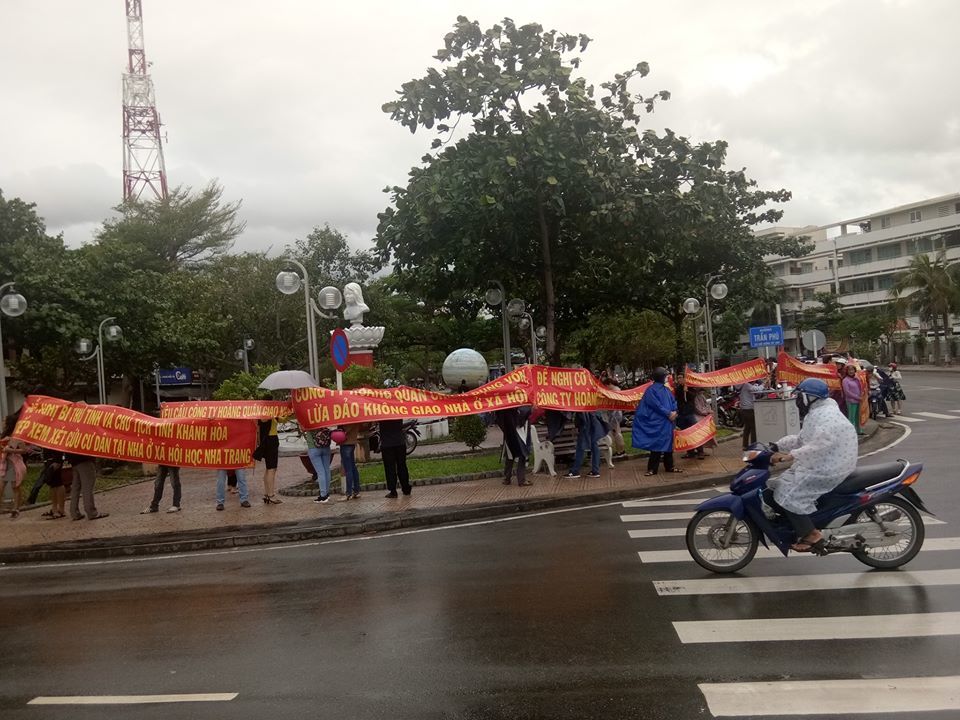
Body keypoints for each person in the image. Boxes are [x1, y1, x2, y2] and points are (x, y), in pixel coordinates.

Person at [768, 378, 858, 554]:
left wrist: (789, 456)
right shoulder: (818, 412)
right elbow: (802, 440)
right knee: (780, 483)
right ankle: (798, 525)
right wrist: (775, 446)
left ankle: (811, 534)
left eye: (800, 397)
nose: (797, 401)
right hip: (823, 461)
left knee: (788, 494)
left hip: (829, 466)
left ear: (811, 397)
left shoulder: (827, 416)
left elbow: (819, 445)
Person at [632, 367, 680, 476]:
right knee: (656, 446)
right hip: (659, 423)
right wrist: (669, 413)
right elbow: (656, 405)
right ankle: (652, 469)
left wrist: (674, 412)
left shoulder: (666, 390)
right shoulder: (651, 390)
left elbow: (674, 402)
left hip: (667, 423)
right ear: (661, 377)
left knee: (668, 445)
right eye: (665, 376)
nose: (667, 378)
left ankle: (670, 466)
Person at [495, 407, 533, 486]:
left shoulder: (503, 404)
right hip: (519, 431)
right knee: (522, 453)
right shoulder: (517, 401)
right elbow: (525, 411)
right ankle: (521, 479)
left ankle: (507, 478)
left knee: (510, 454)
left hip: (509, 430)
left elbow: (499, 417)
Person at [0, 412, 28, 519]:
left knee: (15, 486)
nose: (2, 422)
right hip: (4, 463)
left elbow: (24, 450)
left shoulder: (17, 436)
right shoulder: (4, 434)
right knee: (2, 486)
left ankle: (16, 509)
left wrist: (10, 449)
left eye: (4, 421)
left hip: (13, 463)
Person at [67, 452, 109, 521]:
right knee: (87, 487)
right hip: (85, 460)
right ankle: (91, 512)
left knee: (75, 488)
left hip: (74, 462)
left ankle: (74, 512)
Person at [564, 411, 605, 479]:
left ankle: (575, 471)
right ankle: (595, 470)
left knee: (581, 447)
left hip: (585, 422)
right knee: (594, 446)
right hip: (593, 420)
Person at [254, 418, 282, 504]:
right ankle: (271, 495)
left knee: (268, 468)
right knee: (272, 469)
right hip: (271, 439)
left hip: (265, 439)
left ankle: (267, 493)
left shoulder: (261, 412)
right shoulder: (268, 413)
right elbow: (281, 419)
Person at [600, 377, 626, 458]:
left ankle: (620, 450)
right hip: (617, 413)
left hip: (614, 414)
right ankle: (620, 450)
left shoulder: (614, 391)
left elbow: (612, 404)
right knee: (617, 432)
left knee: (616, 432)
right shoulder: (617, 389)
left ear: (609, 384)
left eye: (606, 385)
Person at [306, 427, 333, 503]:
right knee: (326, 470)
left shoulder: (308, 418)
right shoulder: (323, 416)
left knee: (320, 472)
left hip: (314, 447)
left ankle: (323, 496)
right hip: (326, 446)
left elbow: (303, 428)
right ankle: (327, 494)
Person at [738, 379, 766, 450]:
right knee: (753, 428)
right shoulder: (747, 385)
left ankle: (745, 445)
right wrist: (763, 384)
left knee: (747, 428)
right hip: (749, 410)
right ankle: (753, 446)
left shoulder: (743, 385)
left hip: (744, 409)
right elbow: (758, 390)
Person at [339, 422, 363, 499]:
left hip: (345, 443)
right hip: (352, 442)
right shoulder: (355, 419)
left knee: (348, 469)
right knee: (353, 467)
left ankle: (348, 493)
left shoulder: (346, 420)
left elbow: (343, 431)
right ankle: (356, 491)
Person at [841, 364, 864, 435]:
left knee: (858, 417)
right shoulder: (845, 380)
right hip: (851, 401)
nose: (851, 371)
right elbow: (847, 392)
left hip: (858, 401)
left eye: (852, 370)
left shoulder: (857, 379)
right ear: (847, 371)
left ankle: (858, 430)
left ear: (855, 370)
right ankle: (850, 432)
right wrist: (858, 397)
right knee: (851, 417)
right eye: (849, 370)